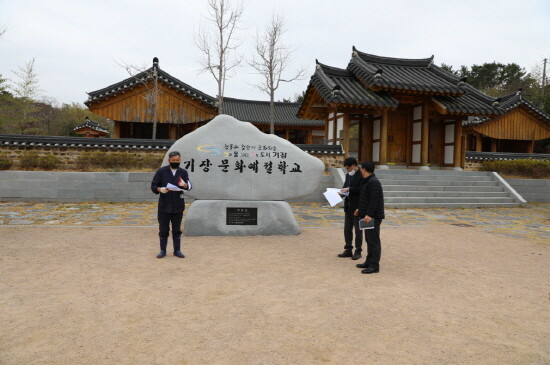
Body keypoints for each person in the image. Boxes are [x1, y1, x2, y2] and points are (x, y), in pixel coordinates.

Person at [151, 151, 192, 259]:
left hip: (178, 205)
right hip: (164, 204)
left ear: (180, 160)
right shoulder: (161, 171)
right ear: (169, 160)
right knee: (163, 229)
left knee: (176, 229)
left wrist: (184, 184)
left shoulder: (183, 172)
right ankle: (163, 250)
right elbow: (153, 185)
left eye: (177, 160)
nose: (175, 162)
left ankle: (177, 250)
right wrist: (160, 189)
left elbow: (189, 186)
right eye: (173, 160)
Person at [354, 161, 385, 274]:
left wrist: (369, 215)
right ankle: (369, 261)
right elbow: (365, 198)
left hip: (373, 216)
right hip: (367, 214)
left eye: (361, 169)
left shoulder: (373, 182)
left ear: (365, 170)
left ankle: (374, 265)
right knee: (368, 239)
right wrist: (360, 209)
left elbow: (374, 201)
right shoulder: (367, 181)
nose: (360, 171)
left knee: (373, 240)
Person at [338, 157, 363, 260]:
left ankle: (358, 251)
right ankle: (348, 249)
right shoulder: (348, 175)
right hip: (348, 206)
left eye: (348, 168)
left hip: (357, 207)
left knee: (358, 230)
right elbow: (345, 187)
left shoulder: (362, 174)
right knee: (347, 229)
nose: (347, 170)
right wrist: (340, 193)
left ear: (353, 166)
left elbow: (361, 189)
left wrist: (349, 189)